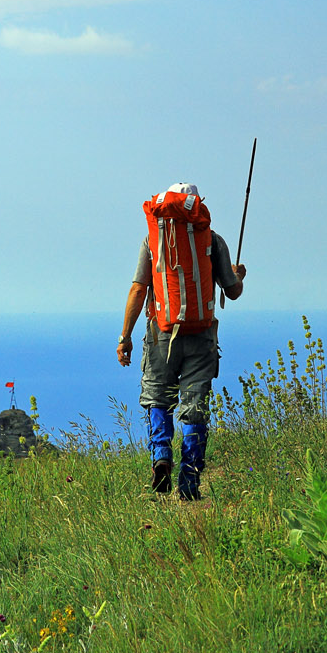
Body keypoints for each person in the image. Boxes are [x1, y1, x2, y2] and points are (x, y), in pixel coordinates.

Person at [117, 182, 246, 500]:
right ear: (196, 204)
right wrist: (237, 275)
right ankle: (189, 482)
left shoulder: (152, 239)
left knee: (158, 399)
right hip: (201, 336)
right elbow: (231, 291)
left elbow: (138, 289)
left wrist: (125, 338)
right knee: (194, 408)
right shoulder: (212, 240)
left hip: (160, 334)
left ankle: (161, 456)